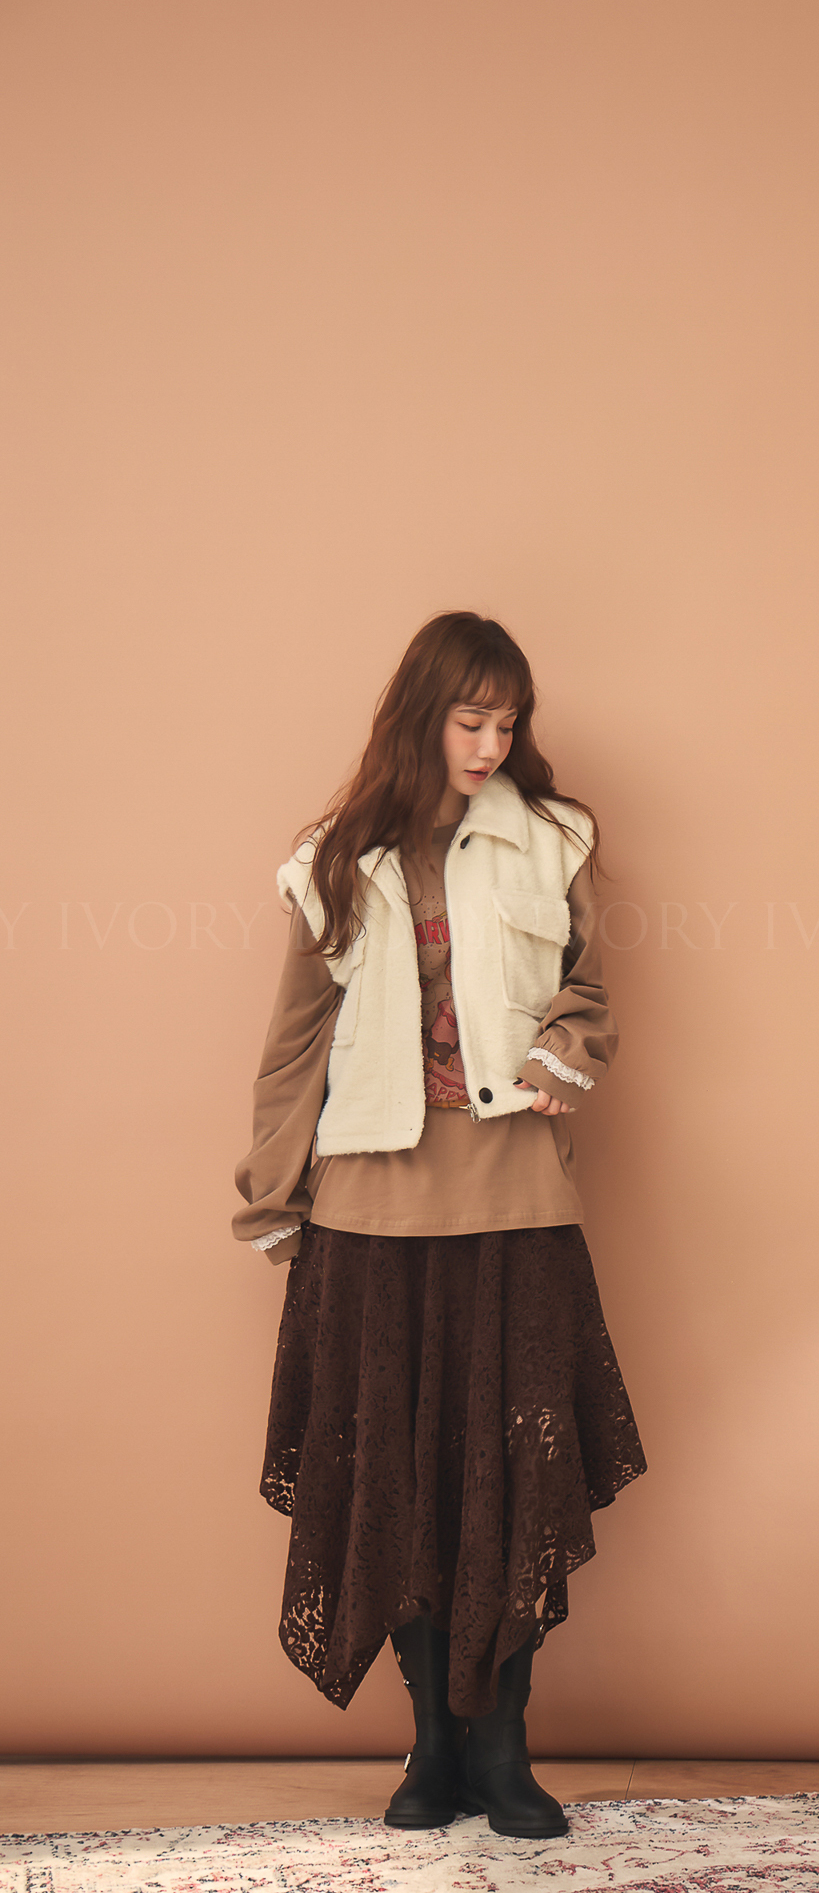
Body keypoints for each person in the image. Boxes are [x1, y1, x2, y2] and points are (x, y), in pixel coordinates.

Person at [231, 610, 647, 1839]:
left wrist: (564, 1051)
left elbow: (588, 995)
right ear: (421, 715)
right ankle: (429, 1751)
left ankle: (502, 1750)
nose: (490, 745)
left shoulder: (552, 840)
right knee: (394, 1480)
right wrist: (272, 1196)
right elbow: (293, 1044)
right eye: (471, 721)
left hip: (513, 1197)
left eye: (507, 724)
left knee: (516, 1472)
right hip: (368, 1208)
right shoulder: (332, 861)